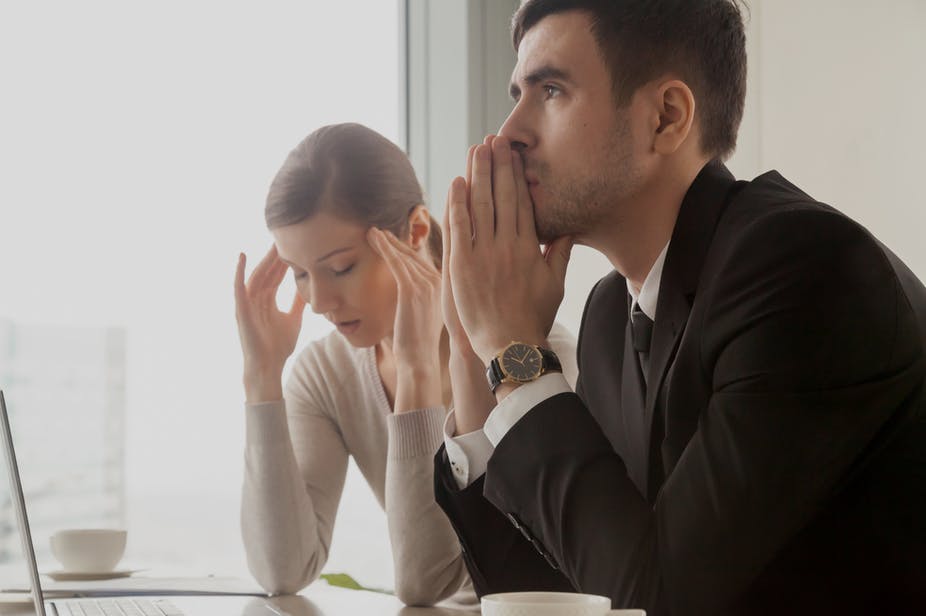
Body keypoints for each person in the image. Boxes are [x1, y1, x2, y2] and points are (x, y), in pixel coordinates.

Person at [433, 1, 926, 615]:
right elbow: (571, 593)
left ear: (666, 117)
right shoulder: (611, 315)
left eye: (551, 90)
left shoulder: (803, 269)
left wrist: (515, 354)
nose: (509, 132)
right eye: (518, 93)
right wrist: (472, 351)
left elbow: (660, 601)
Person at [233, 122, 578, 606]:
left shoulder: (527, 359)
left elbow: (424, 583)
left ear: (415, 231)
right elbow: (282, 569)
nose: (318, 302)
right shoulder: (324, 374)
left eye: (340, 268)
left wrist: (416, 375)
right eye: (300, 275)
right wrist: (262, 377)